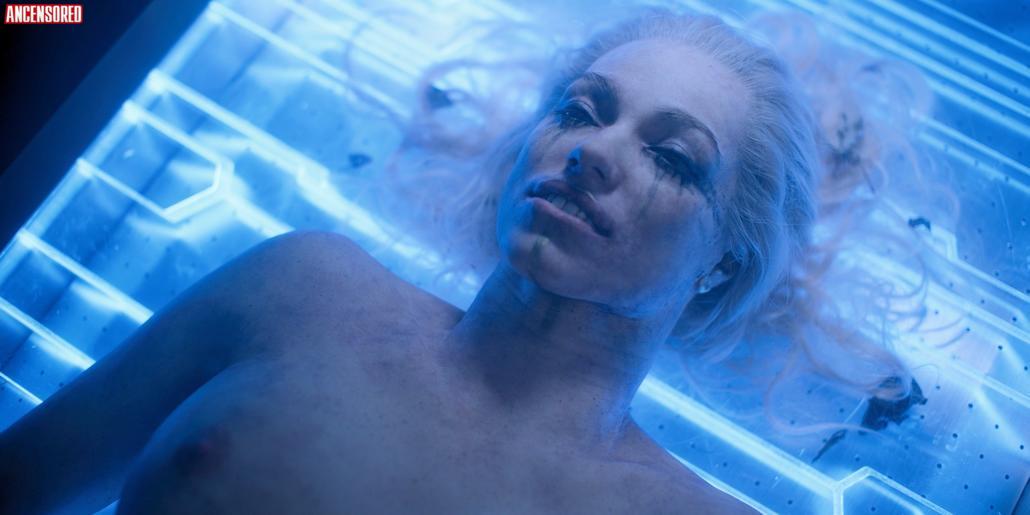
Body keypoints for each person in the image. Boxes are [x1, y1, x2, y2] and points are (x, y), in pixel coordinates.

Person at [0, 7, 935, 514]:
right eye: (581, 109)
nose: (593, 151)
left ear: (725, 263)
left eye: (672, 156)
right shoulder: (299, 290)